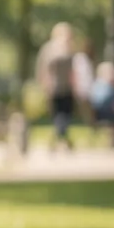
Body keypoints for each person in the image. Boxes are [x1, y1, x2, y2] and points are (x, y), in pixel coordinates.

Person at [35, 22, 75, 152]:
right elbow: (44, 69)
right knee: (60, 114)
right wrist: (45, 84)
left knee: (64, 114)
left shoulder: (67, 49)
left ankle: (60, 138)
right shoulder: (51, 49)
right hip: (55, 87)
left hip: (65, 87)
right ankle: (61, 138)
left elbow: (71, 71)